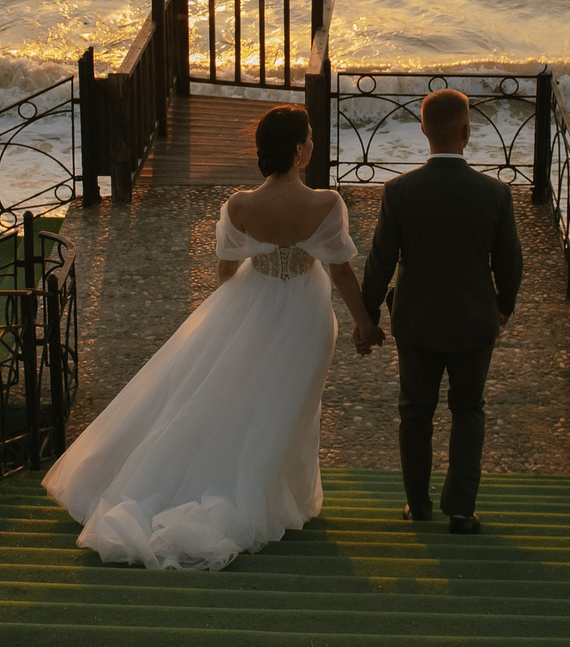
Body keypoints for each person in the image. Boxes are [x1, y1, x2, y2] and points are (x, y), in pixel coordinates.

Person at [43, 103, 378, 569]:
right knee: (288, 405)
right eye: (311, 138)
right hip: (306, 315)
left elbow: (225, 274)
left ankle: (236, 482)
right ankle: (270, 493)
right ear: (300, 150)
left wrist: (235, 320)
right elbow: (340, 271)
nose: (313, 145)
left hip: (250, 304)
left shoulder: (239, 205)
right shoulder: (326, 204)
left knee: (238, 398)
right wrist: (365, 321)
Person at [360, 88, 523, 533]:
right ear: (467, 132)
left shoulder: (399, 191)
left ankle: (417, 505)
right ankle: (460, 510)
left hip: (417, 321)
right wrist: (503, 305)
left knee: (415, 411)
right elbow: (510, 262)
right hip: (474, 320)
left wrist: (367, 316)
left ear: (423, 130)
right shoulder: (494, 194)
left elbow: (380, 260)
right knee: (469, 410)